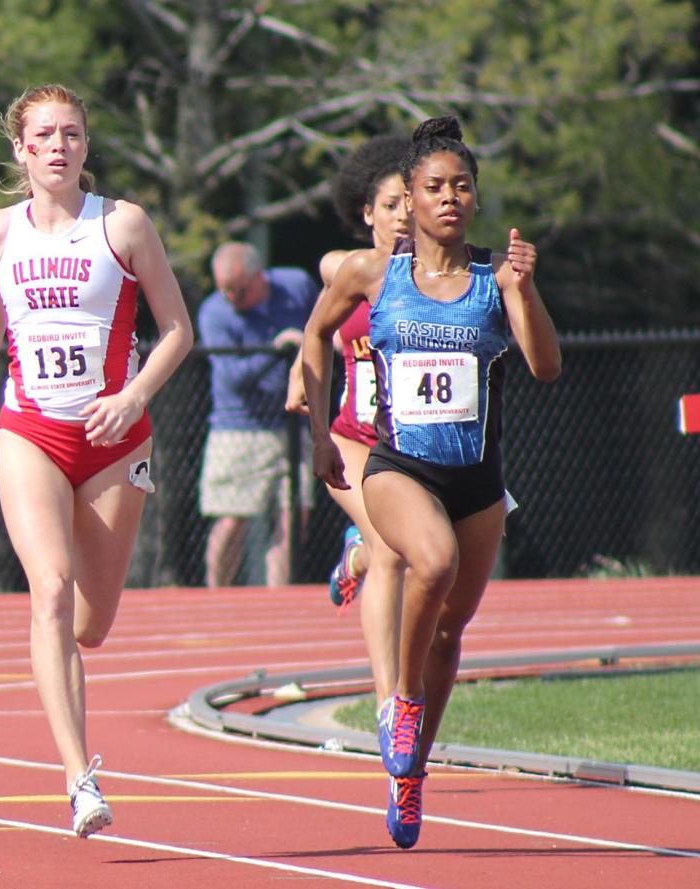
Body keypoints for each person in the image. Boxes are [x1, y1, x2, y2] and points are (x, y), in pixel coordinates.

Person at [301, 116, 560, 849]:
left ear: (475, 199)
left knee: (452, 625)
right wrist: (321, 434)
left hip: (477, 479)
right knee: (433, 562)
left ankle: (407, 777)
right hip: (397, 468)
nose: (449, 197)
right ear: (408, 199)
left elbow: (545, 367)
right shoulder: (371, 274)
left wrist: (527, 289)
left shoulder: (494, 277)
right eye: (433, 187)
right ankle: (400, 703)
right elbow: (317, 336)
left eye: (461, 186)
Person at [0, 84, 193, 838]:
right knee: (48, 589)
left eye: (72, 134)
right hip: (32, 431)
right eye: (44, 135)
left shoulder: (123, 224)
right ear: (20, 149)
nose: (58, 147)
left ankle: (80, 692)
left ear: (87, 146)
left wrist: (135, 395)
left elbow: (176, 328)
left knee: (92, 623)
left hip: (116, 439)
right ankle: (79, 777)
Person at [285, 135, 409, 712]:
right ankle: (391, 706)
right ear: (367, 213)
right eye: (390, 205)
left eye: (413, 201)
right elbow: (320, 317)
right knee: (394, 549)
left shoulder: (446, 278)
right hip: (354, 440)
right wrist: (298, 369)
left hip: (418, 447)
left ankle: (352, 558)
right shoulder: (351, 268)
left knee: (427, 560)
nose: (404, 214)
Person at [197, 242, 318, 588]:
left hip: (294, 423)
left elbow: (320, 324)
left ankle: (277, 596)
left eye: (240, 289)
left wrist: (307, 340)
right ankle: (214, 594)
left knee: (293, 516)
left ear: (260, 276)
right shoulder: (214, 313)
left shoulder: (295, 286)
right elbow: (232, 377)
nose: (232, 297)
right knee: (232, 520)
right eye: (226, 291)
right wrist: (277, 350)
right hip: (239, 425)